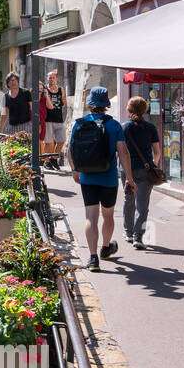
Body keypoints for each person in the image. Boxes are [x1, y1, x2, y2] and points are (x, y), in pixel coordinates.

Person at [67, 86, 135, 272]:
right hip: (108, 178)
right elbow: (124, 153)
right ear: (106, 104)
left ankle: (93, 258)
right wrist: (129, 178)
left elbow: (70, 151)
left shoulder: (79, 124)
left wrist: (74, 170)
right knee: (108, 215)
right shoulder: (114, 126)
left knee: (91, 217)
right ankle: (105, 248)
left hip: (87, 178)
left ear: (90, 104)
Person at [122, 96, 162, 250]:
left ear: (129, 109)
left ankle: (128, 232)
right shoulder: (151, 128)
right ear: (144, 110)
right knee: (143, 205)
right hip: (145, 170)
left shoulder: (123, 127)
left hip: (127, 170)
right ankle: (138, 237)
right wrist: (153, 165)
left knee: (128, 200)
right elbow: (157, 153)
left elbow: (119, 152)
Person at [42, 70, 67, 169]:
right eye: (50, 77)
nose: (51, 79)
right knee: (47, 142)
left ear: (56, 78)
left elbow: (64, 103)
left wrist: (63, 101)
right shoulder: (45, 90)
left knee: (61, 140)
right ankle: (46, 162)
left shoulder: (61, 89)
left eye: (53, 77)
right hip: (48, 119)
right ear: (47, 79)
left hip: (59, 119)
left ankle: (53, 158)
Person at [0, 72, 33, 138]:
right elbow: (4, 114)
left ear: (18, 81)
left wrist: (37, 124)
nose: (13, 82)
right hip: (12, 128)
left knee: (26, 147)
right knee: (13, 147)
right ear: (8, 83)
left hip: (26, 126)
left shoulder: (26, 93)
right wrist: (0, 131)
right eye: (11, 80)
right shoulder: (5, 97)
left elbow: (32, 109)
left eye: (15, 80)